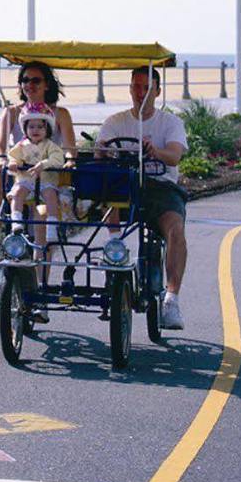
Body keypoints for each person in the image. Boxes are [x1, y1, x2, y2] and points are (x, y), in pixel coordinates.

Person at [94, 65, 188, 329]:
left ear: (158, 91)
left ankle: (172, 299)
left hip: (160, 187)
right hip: (125, 187)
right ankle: (115, 252)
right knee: (109, 196)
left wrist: (155, 151)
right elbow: (101, 149)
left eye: (147, 87)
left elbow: (175, 155)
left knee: (175, 230)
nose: (140, 93)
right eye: (136, 86)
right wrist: (102, 151)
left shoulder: (170, 123)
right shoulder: (115, 121)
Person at [0, 61, 76, 262]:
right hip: (20, 174)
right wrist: (1, 160)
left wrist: (68, 161)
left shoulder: (60, 114)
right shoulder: (11, 112)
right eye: (25, 80)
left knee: (40, 217)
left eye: (36, 80)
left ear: (47, 85)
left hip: (48, 175)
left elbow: (69, 148)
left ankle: (40, 279)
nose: (29, 85)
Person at [5, 109, 70, 315]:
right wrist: (14, 165)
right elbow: (11, 159)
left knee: (51, 195)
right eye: (31, 127)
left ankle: (52, 226)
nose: (35, 131)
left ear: (47, 129)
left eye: (40, 127)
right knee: (17, 192)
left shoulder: (50, 146)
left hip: (45, 182)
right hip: (27, 181)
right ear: (25, 129)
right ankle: (16, 221)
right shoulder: (22, 145)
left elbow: (58, 159)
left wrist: (44, 164)